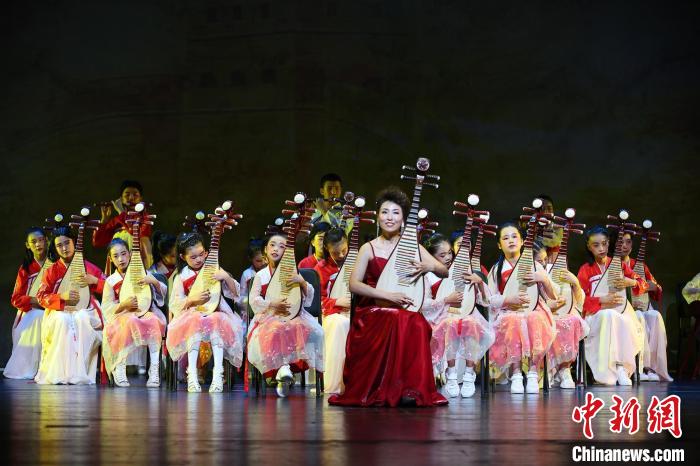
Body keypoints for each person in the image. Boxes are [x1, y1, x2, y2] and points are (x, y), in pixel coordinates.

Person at [328, 187, 449, 407]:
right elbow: (354, 284)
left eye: (395, 212)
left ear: (403, 218)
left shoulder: (412, 247)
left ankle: (410, 389)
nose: (389, 217)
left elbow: (444, 271)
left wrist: (429, 266)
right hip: (373, 309)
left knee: (417, 322)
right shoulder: (368, 248)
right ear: (377, 216)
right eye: (384, 212)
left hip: (403, 308)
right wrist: (388, 295)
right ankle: (387, 389)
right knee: (397, 318)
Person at [248, 233, 324, 397]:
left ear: (287, 252)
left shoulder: (294, 273)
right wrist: (271, 304)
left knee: (309, 329)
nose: (276, 249)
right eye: (272, 245)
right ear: (265, 249)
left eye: (282, 246)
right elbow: (253, 300)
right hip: (269, 317)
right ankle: (283, 368)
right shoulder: (261, 275)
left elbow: (308, 300)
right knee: (276, 328)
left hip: (294, 316)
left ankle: (284, 372)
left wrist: (301, 282)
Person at [166, 232, 244, 393]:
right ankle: (192, 376)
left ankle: (217, 375)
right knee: (194, 326)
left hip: (216, 314)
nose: (199, 259)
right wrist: (191, 299)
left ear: (207, 252)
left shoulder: (214, 269)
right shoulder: (181, 276)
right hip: (191, 315)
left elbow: (236, 293)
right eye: (193, 257)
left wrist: (226, 277)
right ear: (182, 257)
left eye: (202, 254)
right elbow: (174, 304)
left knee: (216, 325)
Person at [486, 223, 557, 394]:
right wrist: (507, 300)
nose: (511, 240)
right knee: (513, 320)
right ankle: (516, 373)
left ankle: (532, 373)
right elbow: (488, 299)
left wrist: (544, 279)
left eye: (514, 236)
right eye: (505, 238)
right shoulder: (496, 269)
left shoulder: (535, 265)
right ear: (499, 245)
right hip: (507, 312)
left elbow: (553, 295)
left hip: (534, 310)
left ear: (523, 241)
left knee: (534, 319)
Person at [422, 233, 494, 398]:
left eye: (449, 253)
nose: (448, 257)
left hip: (467, 315)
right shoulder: (428, 276)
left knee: (470, 323)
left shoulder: (463, 271)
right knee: (450, 323)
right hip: (439, 318)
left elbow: (485, 301)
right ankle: (451, 374)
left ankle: (469, 373)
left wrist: (479, 283)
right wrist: (445, 300)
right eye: (442, 255)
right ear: (431, 257)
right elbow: (423, 304)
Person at [576, 226, 647, 386]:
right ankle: (613, 370)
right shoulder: (585, 270)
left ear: (609, 243)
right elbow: (579, 301)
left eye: (604, 243)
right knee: (609, 315)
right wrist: (601, 300)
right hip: (595, 317)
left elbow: (642, 284)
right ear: (589, 246)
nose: (601, 248)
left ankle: (621, 368)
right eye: (596, 245)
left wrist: (631, 282)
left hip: (621, 314)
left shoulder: (619, 265)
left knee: (620, 318)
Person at [35, 226, 106, 385]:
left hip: (85, 309)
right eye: (59, 245)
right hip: (59, 311)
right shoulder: (52, 271)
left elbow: (110, 287)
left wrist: (95, 281)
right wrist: (61, 297)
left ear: (74, 242)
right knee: (62, 320)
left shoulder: (88, 267)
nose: (64, 248)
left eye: (67, 243)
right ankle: (61, 373)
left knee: (82, 319)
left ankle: (81, 372)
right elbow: (41, 296)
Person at [101, 239, 167, 387]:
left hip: (146, 314)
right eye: (116, 256)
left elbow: (162, 293)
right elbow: (106, 307)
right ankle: (120, 367)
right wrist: (123, 305)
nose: (121, 259)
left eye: (124, 254)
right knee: (128, 321)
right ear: (110, 259)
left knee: (153, 321)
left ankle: (154, 370)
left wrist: (154, 282)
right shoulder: (111, 281)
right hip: (121, 316)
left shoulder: (143, 273)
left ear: (130, 254)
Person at [620, 232, 672, 381]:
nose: (625, 245)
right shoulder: (613, 264)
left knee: (655, 316)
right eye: (621, 242)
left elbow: (656, 287)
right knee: (639, 317)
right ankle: (640, 367)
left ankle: (655, 368)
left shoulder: (640, 265)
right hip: (623, 310)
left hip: (642, 307)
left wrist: (646, 286)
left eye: (628, 242)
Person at [4, 227, 50, 379]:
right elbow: (16, 298)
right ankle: (29, 369)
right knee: (38, 316)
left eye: (41, 240)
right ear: (27, 245)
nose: (38, 244)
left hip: (53, 310)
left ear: (47, 241)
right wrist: (36, 301)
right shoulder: (26, 269)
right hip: (31, 312)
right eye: (33, 241)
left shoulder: (55, 265)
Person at [313, 227, 350, 394]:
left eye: (344, 250)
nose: (341, 255)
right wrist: (336, 302)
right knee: (340, 323)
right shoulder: (320, 269)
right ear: (327, 250)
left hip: (355, 311)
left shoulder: (356, 262)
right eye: (336, 253)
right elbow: (315, 300)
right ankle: (335, 383)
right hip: (330, 315)